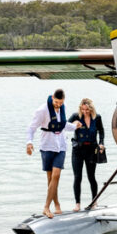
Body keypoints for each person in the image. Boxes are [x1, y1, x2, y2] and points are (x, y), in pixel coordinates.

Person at [26, 89, 80, 218]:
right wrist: (29, 142)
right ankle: (56, 203)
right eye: (56, 102)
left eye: (61, 103)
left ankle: (46, 207)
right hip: (47, 145)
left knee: (56, 176)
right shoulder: (42, 110)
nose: (58, 105)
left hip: (61, 146)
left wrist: (74, 126)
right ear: (52, 98)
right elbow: (31, 128)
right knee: (50, 179)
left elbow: (62, 125)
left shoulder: (63, 107)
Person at [68, 98, 105, 211]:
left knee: (91, 177)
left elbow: (101, 131)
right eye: (83, 109)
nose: (85, 112)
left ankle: (94, 202)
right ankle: (77, 204)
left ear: (91, 109)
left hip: (91, 150)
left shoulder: (97, 117)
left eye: (87, 110)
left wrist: (101, 143)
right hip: (78, 150)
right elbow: (64, 125)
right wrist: (73, 125)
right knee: (77, 177)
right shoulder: (76, 116)